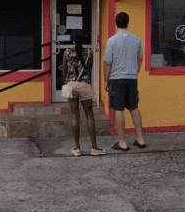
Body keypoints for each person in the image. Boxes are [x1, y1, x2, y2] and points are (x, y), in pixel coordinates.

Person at [103, 12, 146, 151]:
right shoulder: (137, 39)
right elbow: (140, 59)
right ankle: (140, 139)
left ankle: (122, 142)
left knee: (118, 108)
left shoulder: (112, 40)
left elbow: (107, 63)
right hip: (132, 77)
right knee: (134, 107)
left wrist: (106, 80)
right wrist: (135, 71)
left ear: (116, 23)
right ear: (128, 22)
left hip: (117, 78)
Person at [60, 34, 103, 156]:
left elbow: (64, 71)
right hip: (85, 84)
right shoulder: (90, 52)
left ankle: (77, 148)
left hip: (71, 85)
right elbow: (89, 70)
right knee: (89, 115)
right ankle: (94, 147)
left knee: (75, 117)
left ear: (73, 40)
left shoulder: (67, 53)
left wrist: (67, 82)